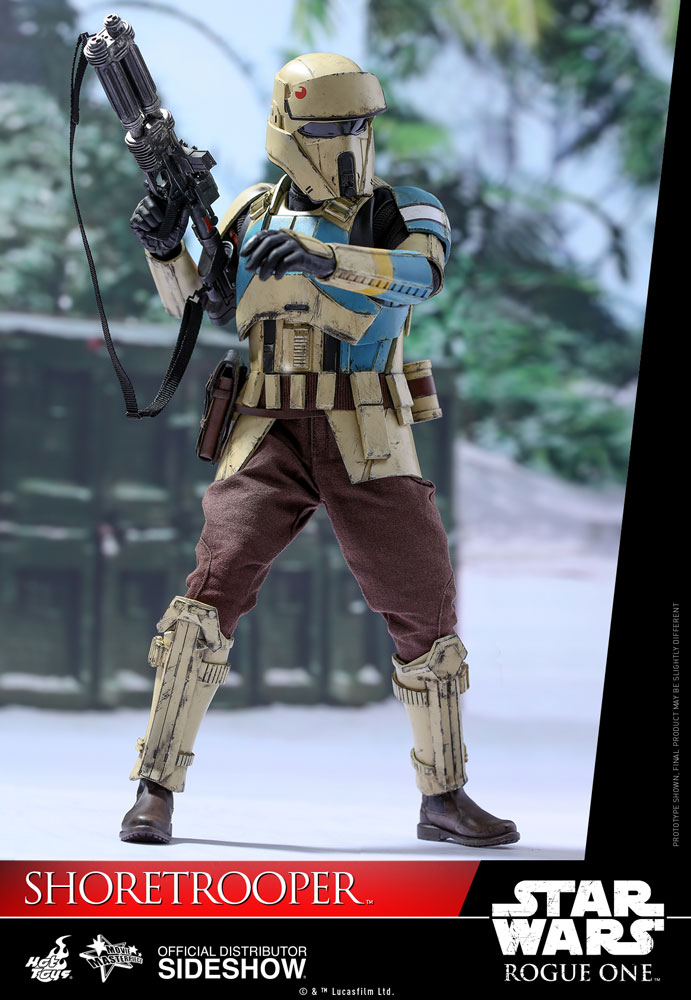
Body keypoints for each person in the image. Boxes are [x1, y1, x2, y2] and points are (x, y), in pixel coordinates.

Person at [119, 53, 519, 849]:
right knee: (207, 601)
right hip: (266, 425)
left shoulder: (402, 209)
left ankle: (444, 797)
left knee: (424, 608)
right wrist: (167, 249)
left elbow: (420, 275)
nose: (349, 139)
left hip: (365, 423)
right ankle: (153, 788)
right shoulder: (249, 211)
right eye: (331, 125)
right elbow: (206, 304)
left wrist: (322, 258)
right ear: (289, 129)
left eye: (359, 124)